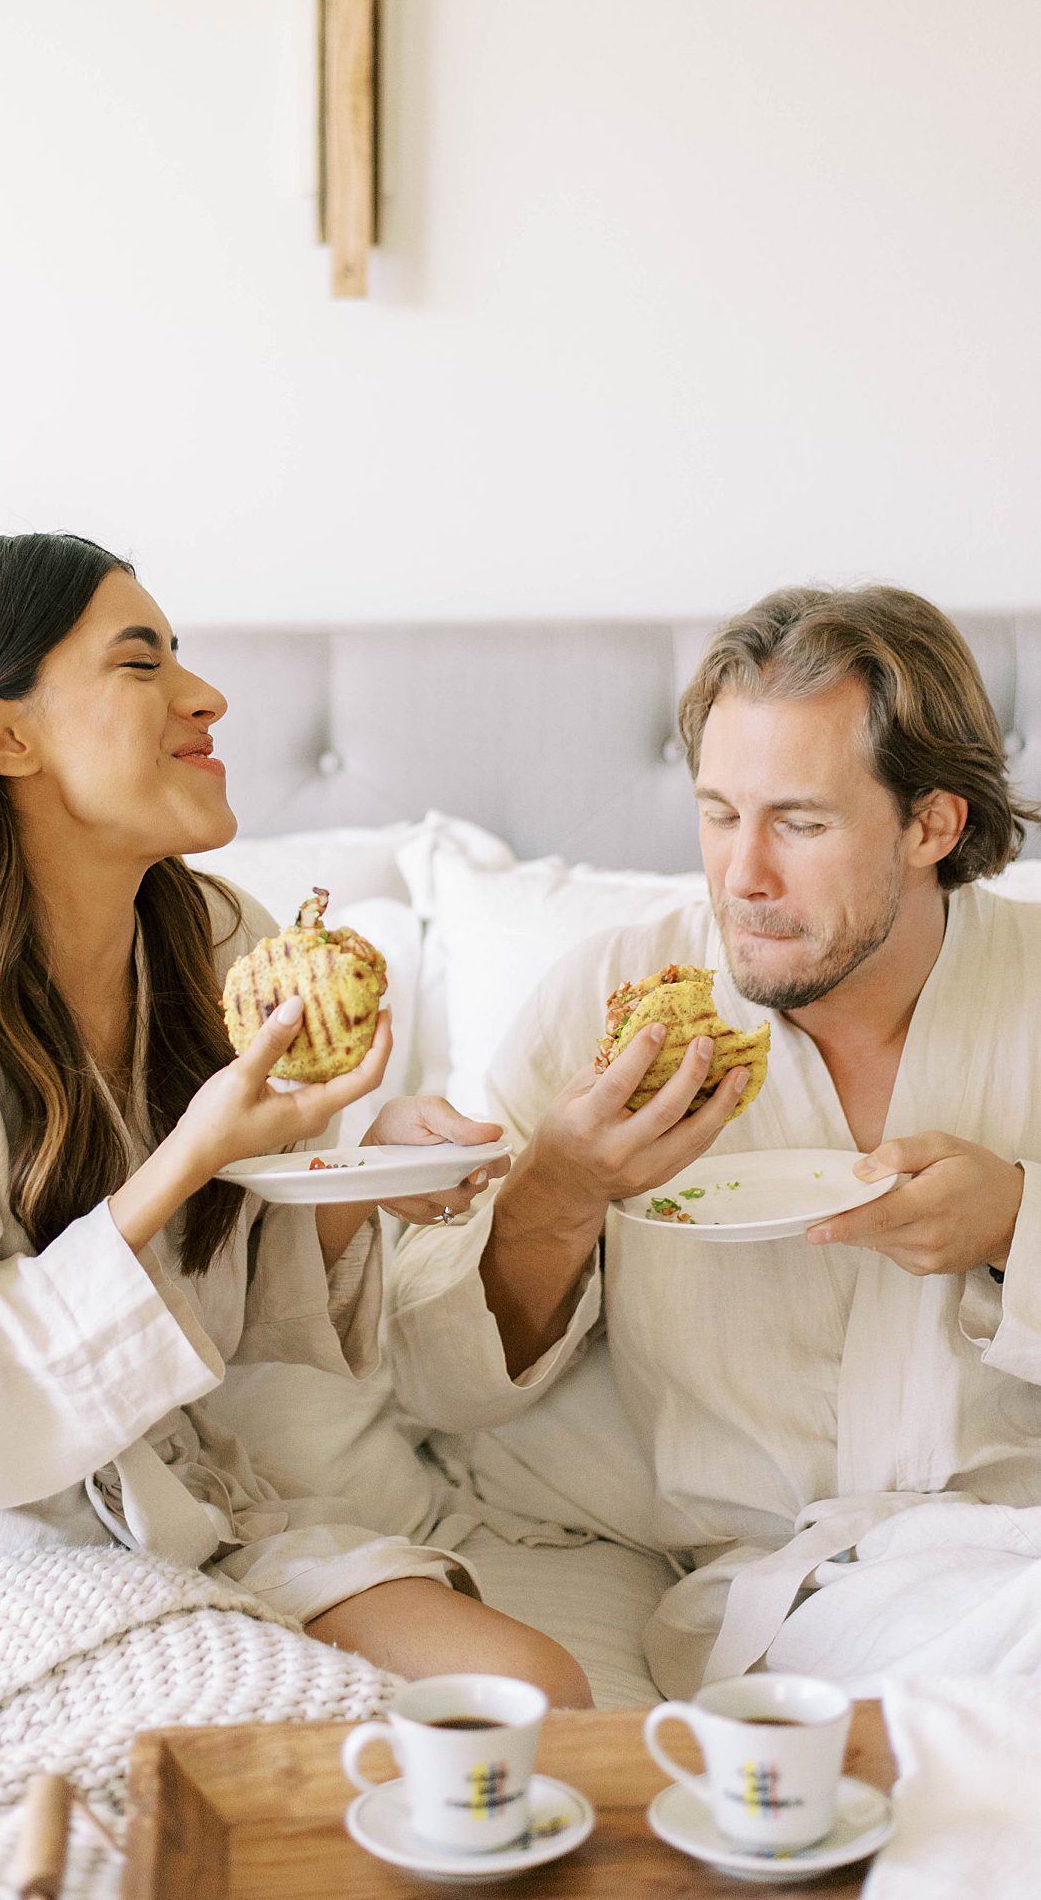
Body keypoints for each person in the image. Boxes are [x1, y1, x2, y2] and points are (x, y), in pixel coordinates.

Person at [0, 532, 588, 1702]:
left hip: (160, 1503)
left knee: (524, 1692)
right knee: (250, 1739)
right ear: (5, 732)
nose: (208, 697)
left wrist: (355, 1178)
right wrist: (188, 1160)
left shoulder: (210, 937)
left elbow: (231, 1296)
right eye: (142, 666)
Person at [386, 585, 1041, 1695]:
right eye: (719, 813)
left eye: (800, 821)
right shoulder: (612, 999)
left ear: (933, 824)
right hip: (772, 1591)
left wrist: (1015, 1227)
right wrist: (560, 1188)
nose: (744, 876)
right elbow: (438, 1390)